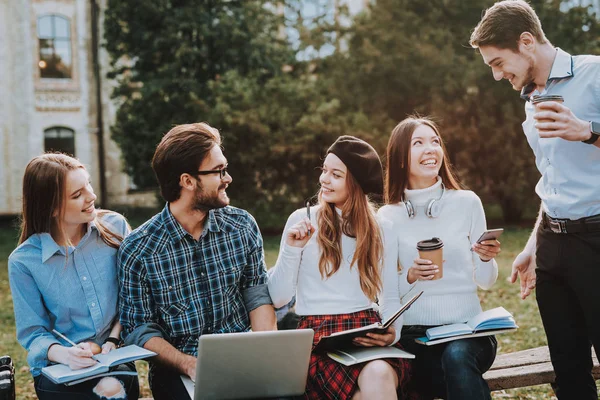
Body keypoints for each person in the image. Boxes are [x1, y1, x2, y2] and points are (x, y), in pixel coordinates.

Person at [470, 1, 600, 398]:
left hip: (596, 240)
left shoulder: (595, 74)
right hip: (552, 245)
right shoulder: (531, 101)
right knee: (568, 368)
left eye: (497, 62)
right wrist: (532, 245)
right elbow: (552, 178)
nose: (495, 76)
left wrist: (589, 132)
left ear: (526, 42)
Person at [118, 123, 276, 400]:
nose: (228, 178)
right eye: (219, 171)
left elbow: (256, 294)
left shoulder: (242, 225)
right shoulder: (139, 249)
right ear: (187, 181)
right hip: (178, 370)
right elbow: (140, 330)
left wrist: (263, 356)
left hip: (242, 357)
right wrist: (189, 364)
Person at [268, 135, 412, 400]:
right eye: (324, 170)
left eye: (335, 174)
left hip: (364, 331)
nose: (324, 179)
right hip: (318, 338)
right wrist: (292, 248)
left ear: (355, 183)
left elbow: (390, 294)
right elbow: (279, 298)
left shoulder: (382, 228)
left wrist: (393, 334)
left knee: (379, 375)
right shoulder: (302, 220)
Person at [378, 117, 501, 400]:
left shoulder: (467, 202)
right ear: (400, 158)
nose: (430, 149)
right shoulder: (388, 217)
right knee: (442, 373)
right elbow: (385, 294)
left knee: (457, 358)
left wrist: (484, 259)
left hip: (468, 332)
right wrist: (409, 275)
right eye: (418, 143)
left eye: (435, 142)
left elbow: (485, 282)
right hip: (414, 335)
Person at [8, 153, 139, 400]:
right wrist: (67, 355)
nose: (91, 197)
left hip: (113, 358)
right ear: (52, 208)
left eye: (88, 184)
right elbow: (34, 333)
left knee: (111, 390)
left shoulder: (115, 228)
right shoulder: (24, 262)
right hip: (60, 367)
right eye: (77, 194)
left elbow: (132, 297)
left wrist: (112, 339)